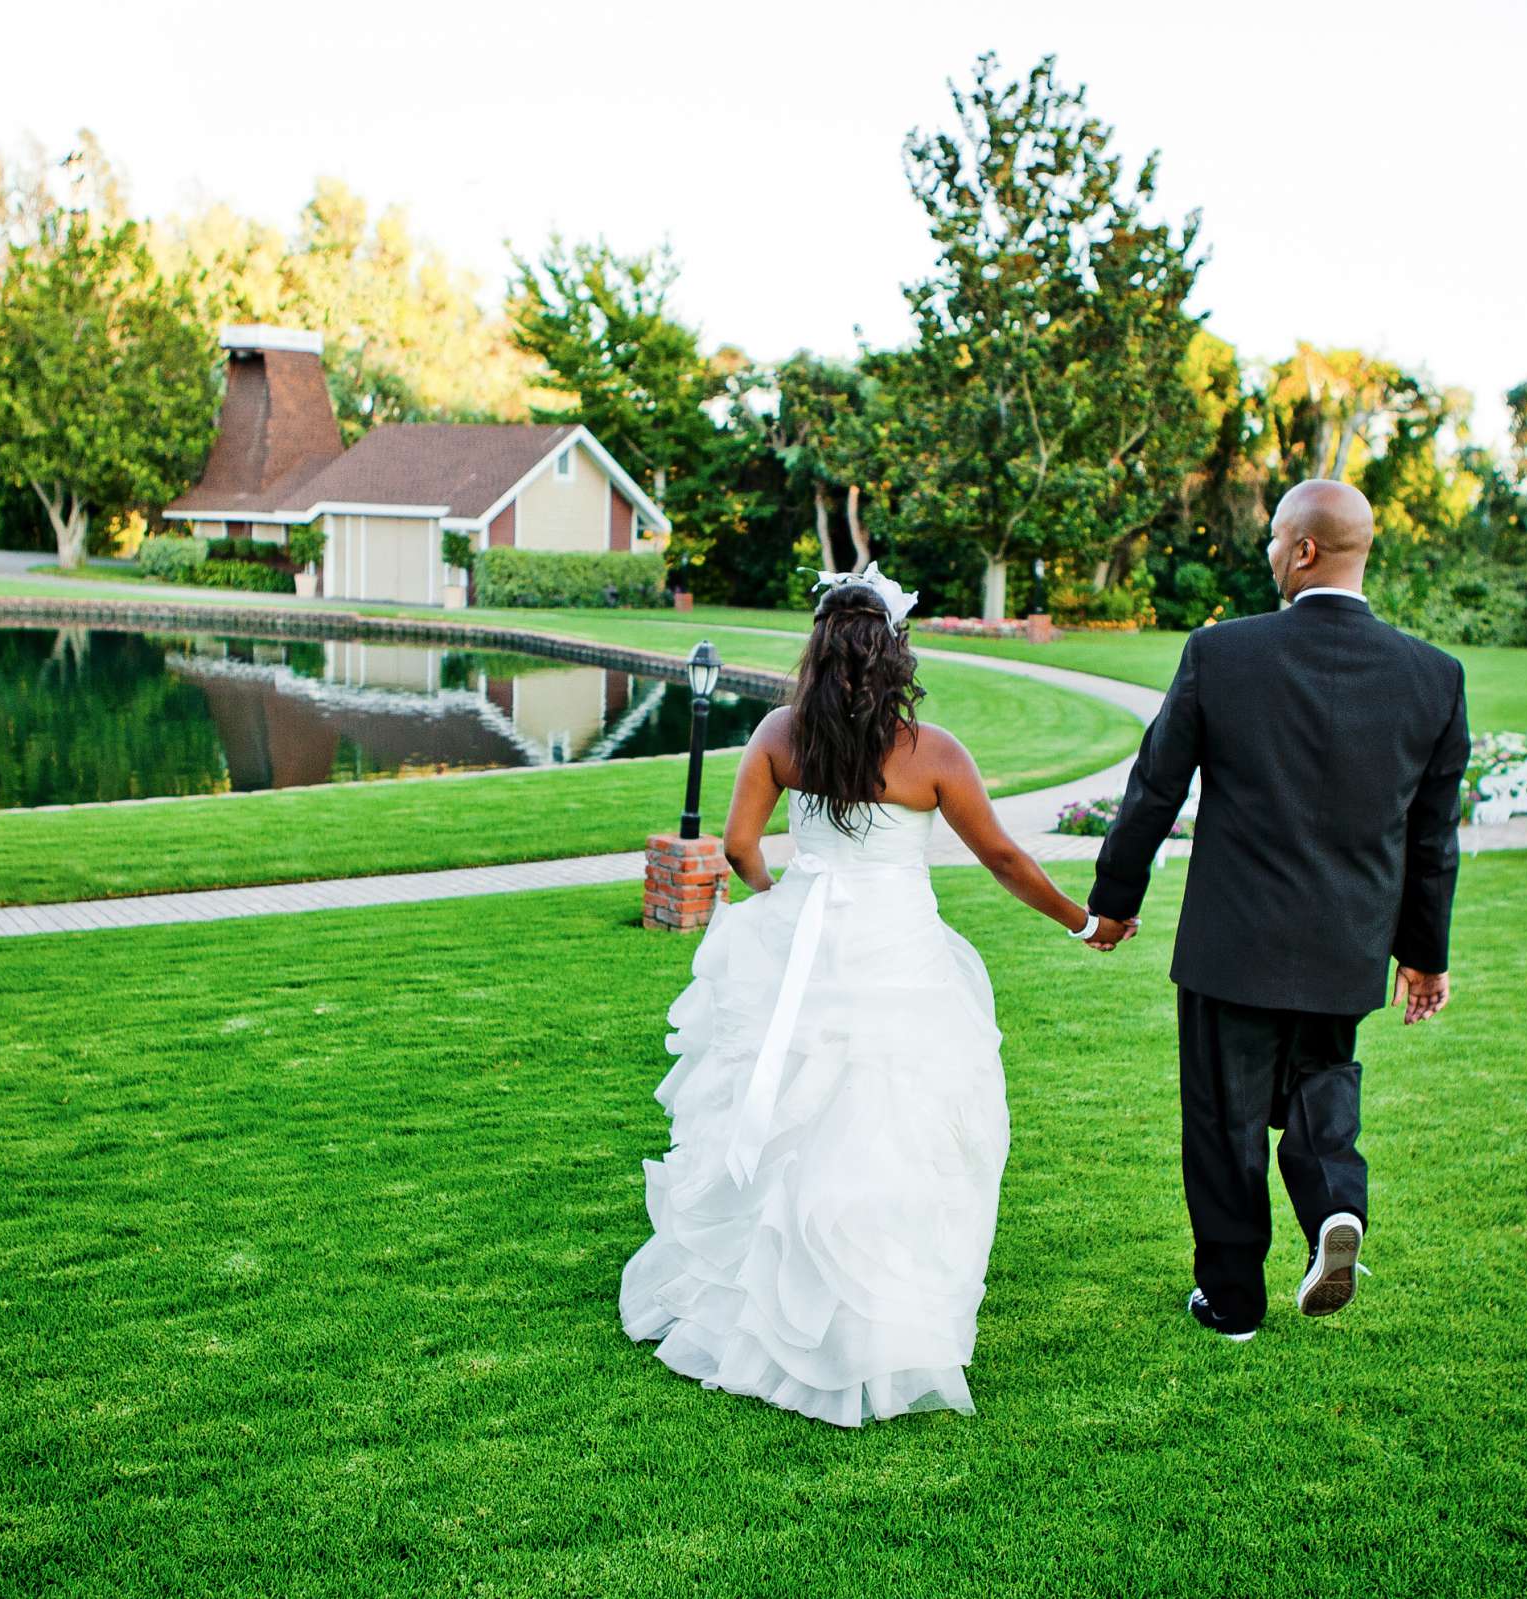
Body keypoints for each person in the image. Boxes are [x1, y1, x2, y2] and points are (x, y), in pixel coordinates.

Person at [620, 563, 1123, 1427]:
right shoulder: (932, 753)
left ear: (818, 647)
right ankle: (879, 1318)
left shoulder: (782, 734)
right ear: (896, 654)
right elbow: (1003, 858)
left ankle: (759, 1308)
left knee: (786, 1114)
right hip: (901, 953)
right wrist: (1082, 923)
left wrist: (785, 896)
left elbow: (740, 845)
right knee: (894, 1129)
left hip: (803, 945)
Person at [1086, 480, 1469, 1342]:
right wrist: (1424, 954)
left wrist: (1113, 901)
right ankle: (1336, 1207)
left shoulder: (1223, 654)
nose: (1267, 553)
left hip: (1234, 943)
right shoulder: (1434, 677)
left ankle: (1233, 1302)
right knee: (1322, 1087)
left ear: (1303, 551)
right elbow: (1433, 838)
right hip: (1348, 946)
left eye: (1272, 538)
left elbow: (1154, 788)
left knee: (1225, 1120)